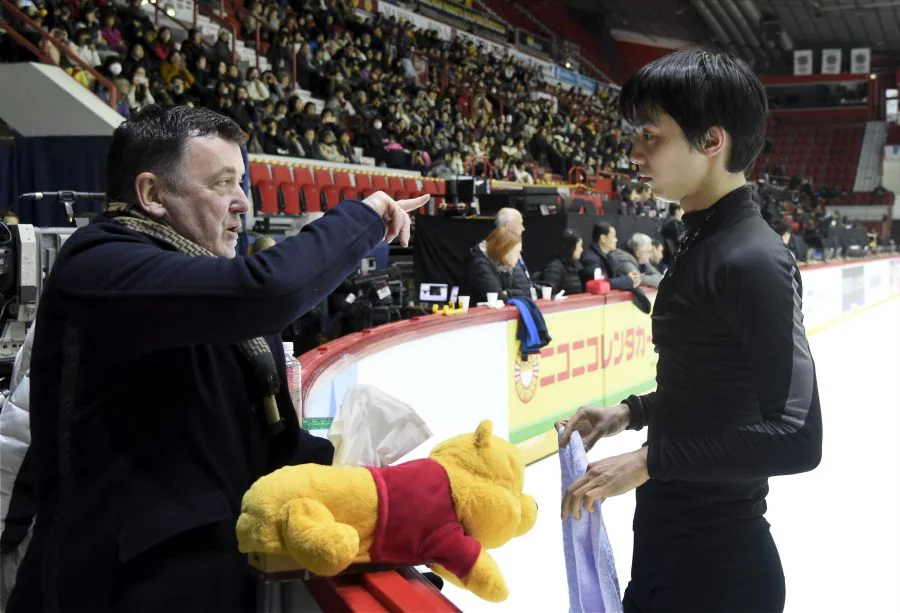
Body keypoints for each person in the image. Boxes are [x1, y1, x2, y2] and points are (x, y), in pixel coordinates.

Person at [6, 105, 427, 613]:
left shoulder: (203, 292)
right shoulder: (99, 266)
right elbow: (269, 289)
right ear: (152, 195)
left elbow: (264, 444)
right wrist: (362, 219)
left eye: (243, 183)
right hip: (109, 589)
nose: (243, 203)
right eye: (223, 183)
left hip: (208, 581)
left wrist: (386, 493)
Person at [558, 50, 822, 613]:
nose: (634, 152)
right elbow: (713, 386)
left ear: (711, 142)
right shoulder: (701, 239)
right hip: (665, 552)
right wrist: (630, 413)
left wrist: (652, 461)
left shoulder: (754, 258)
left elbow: (799, 437)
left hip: (720, 574)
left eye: (650, 136)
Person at [579, 223, 641, 290]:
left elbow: (617, 276)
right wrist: (628, 280)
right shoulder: (590, 259)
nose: (616, 240)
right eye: (614, 236)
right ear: (603, 238)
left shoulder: (611, 257)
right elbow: (601, 284)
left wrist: (632, 278)